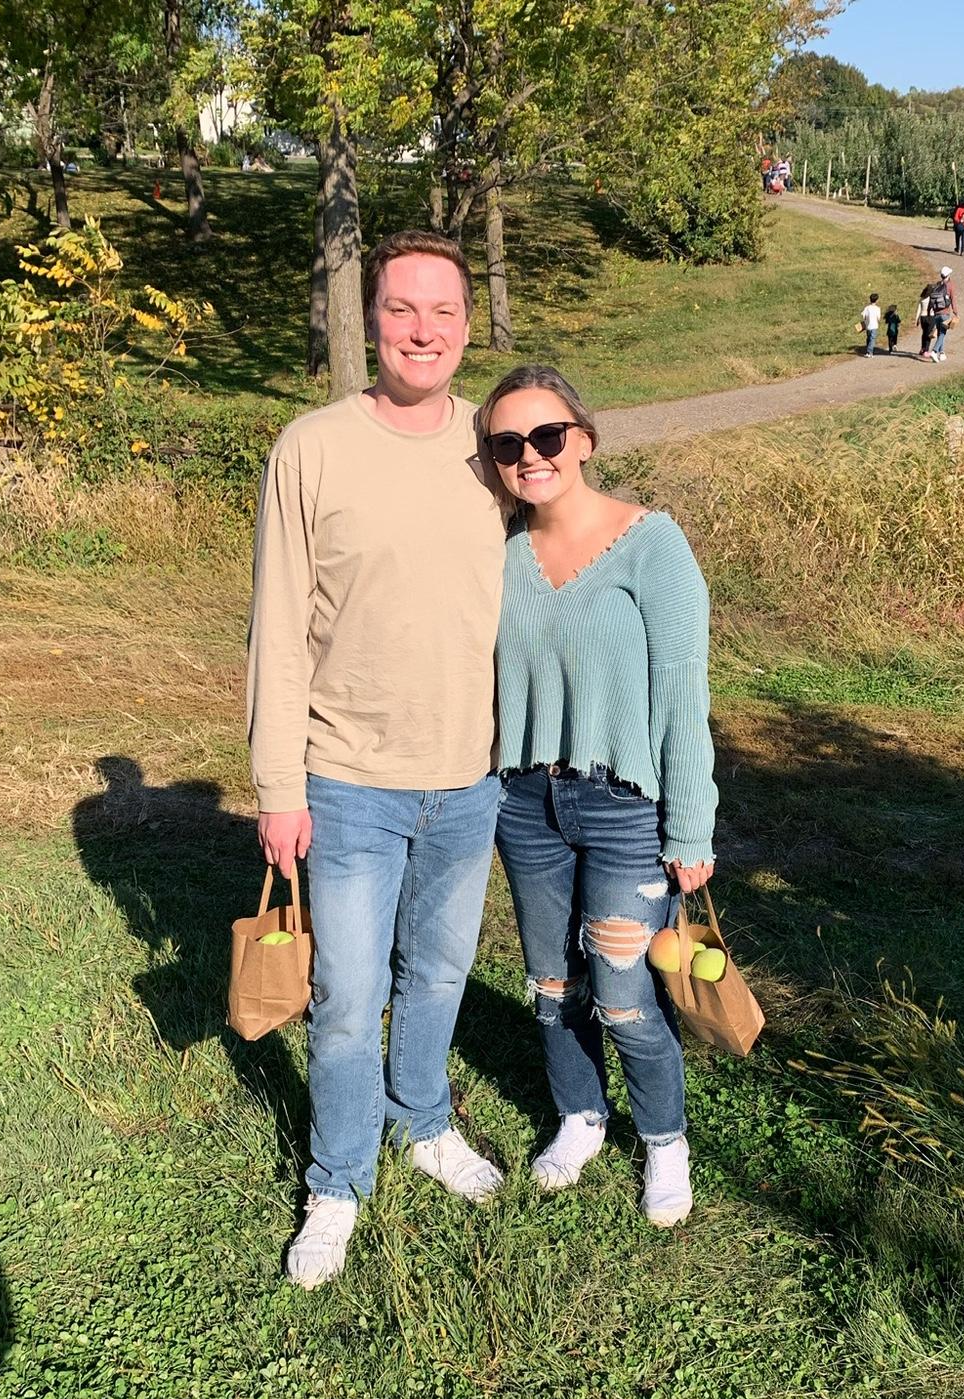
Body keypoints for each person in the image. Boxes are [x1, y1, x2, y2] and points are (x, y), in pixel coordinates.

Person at [248, 230, 509, 1290]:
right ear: (371, 320)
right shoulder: (310, 448)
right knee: (349, 997)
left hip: (473, 777)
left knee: (440, 972)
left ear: (464, 325)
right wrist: (277, 785)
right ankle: (338, 1181)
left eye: (442, 312)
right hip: (347, 778)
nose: (422, 330)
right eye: (402, 309)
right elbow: (274, 625)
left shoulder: (497, 447)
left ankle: (424, 1122)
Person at [481, 364, 717, 1227]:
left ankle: (664, 1142)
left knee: (622, 993)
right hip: (524, 805)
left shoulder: (652, 544)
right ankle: (581, 1117)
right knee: (552, 985)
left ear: (583, 439)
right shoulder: (497, 548)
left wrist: (692, 825)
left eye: (547, 437)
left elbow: (683, 696)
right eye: (508, 444)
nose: (530, 457)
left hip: (625, 810)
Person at [921, 266, 957, 362]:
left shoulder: (937, 286)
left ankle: (941, 353)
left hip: (936, 314)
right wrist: (955, 311)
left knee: (941, 332)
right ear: (948, 275)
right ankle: (934, 351)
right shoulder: (950, 285)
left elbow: (931, 301)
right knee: (942, 333)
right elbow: (953, 299)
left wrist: (930, 311)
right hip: (945, 313)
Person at [860, 291, 881, 357]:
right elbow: (879, 318)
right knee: (872, 339)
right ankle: (869, 352)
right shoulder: (877, 308)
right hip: (874, 326)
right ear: (876, 300)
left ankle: (868, 351)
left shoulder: (867, 308)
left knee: (869, 338)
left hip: (868, 326)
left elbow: (863, 315)